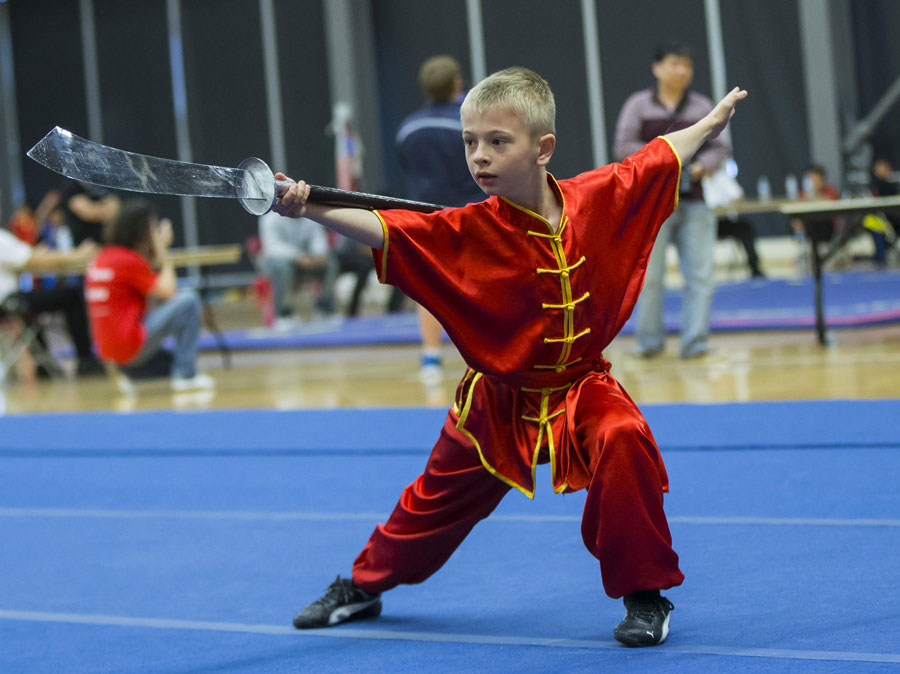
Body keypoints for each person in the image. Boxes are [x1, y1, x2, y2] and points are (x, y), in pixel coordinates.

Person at [273, 67, 747, 647]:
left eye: (498, 142)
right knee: (431, 502)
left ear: (543, 148)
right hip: (497, 401)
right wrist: (308, 207)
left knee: (623, 435)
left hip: (580, 388)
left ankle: (645, 594)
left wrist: (710, 121)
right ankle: (362, 584)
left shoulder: (598, 197)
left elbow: (658, 157)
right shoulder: (466, 228)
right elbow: (383, 231)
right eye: (470, 142)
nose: (480, 156)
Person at [614, 41, 731, 359]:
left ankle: (695, 343)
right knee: (649, 278)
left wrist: (700, 167)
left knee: (701, 276)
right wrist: (663, 161)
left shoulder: (701, 105)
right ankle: (649, 344)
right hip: (651, 206)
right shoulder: (638, 105)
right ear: (657, 68)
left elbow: (721, 148)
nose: (682, 71)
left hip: (694, 201)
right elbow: (623, 145)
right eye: (674, 64)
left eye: (687, 65)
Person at [395, 55, 486, 383]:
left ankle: (431, 356)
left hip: (427, 218)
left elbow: (406, 165)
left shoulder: (408, 129)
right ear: (457, 84)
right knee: (479, 286)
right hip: (469, 214)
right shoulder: (468, 125)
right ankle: (483, 354)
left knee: (429, 288)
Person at [84, 199, 214, 393]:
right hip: (128, 347)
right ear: (143, 232)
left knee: (151, 301)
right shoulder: (129, 261)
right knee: (188, 300)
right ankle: (186, 375)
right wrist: (163, 249)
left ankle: (129, 373)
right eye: (153, 228)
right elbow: (169, 291)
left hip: (105, 349)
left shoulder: (104, 257)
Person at [0, 220, 104, 377]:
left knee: (36, 301)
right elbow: (35, 260)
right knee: (71, 295)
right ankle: (86, 361)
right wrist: (79, 255)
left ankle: (43, 364)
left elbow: (32, 258)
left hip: (11, 302)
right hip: (8, 303)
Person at [257, 210, 330, 327]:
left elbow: (318, 239)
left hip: (306, 260)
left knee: (330, 262)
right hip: (275, 261)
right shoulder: (270, 218)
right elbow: (272, 247)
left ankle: (326, 311)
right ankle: (284, 315)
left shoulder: (311, 214)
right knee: (281, 267)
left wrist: (319, 255)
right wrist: (298, 256)